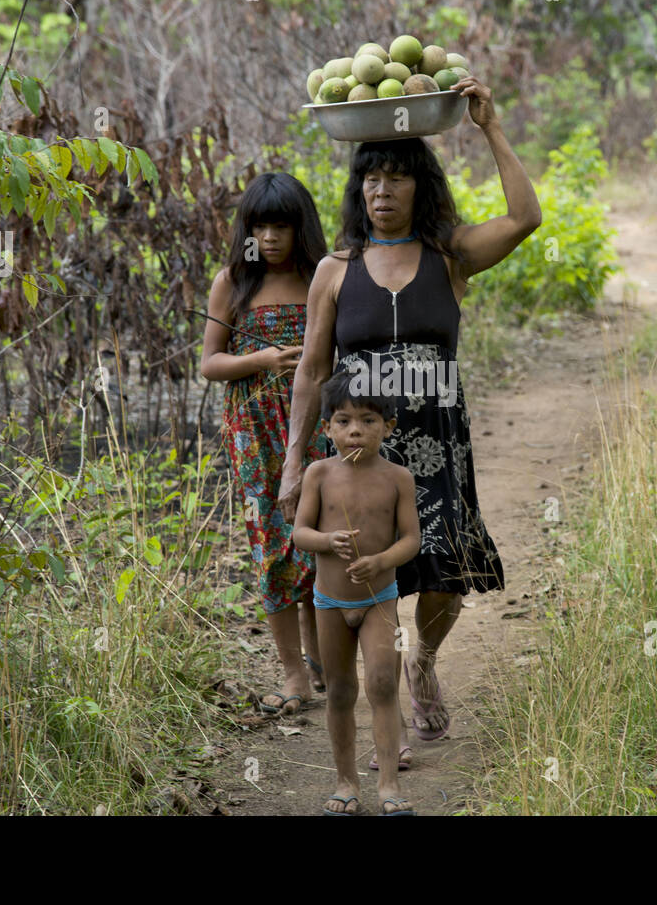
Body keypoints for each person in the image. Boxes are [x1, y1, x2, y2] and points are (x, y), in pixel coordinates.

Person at [278, 76, 541, 743]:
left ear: (420, 187)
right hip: (361, 451)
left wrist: (490, 125)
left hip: (438, 441)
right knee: (373, 580)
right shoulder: (335, 270)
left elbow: (525, 218)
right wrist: (292, 462)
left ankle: (423, 658)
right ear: (357, 190)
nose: (382, 190)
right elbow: (311, 369)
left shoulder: (450, 257)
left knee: (445, 569)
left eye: (397, 178)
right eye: (371, 179)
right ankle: (387, 731)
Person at [201, 171, 331, 716]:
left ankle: (324, 657)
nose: (272, 237)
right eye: (261, 226)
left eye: (282, 225)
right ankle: (293, 675)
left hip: (319, 427)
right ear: (248, 230)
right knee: (273, 546)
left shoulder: (321, 276)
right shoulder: (233, 282)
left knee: (320, 540)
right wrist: (261, 360)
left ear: (301, 228)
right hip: (255, 435)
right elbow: (210, 363)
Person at [292, 371, 421, 815]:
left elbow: (411, 540)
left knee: (383, 684)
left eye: (368, 420)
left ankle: (388, 785)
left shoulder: (397, 477)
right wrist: (328, 542)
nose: (354, 431)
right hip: (329, 601)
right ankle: (346, 782)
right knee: (341, 690)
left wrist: (382, 560)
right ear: (327, 428)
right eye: (343, 421)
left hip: (380, 599)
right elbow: (299, 533)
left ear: (389, 426)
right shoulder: (319, 474)